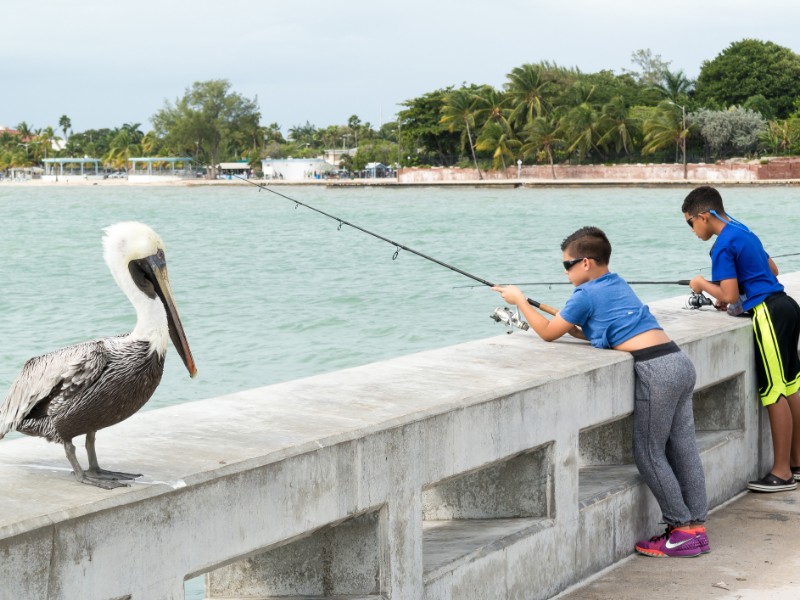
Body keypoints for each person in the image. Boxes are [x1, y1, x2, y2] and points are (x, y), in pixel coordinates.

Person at [493, 226, 709, 558]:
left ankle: (680, 531)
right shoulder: (616, 283)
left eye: (568, 265)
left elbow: (549, 334)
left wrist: (519, 300)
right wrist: (571, 323)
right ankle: (696, 528)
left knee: (649, 453)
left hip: (656, 370)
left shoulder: (585, 294)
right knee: (683, 449)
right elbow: (594, 331)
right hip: (677, 360)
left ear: (587, 263)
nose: (564, 271)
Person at [683, 185, 800, 492]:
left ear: (704, 217)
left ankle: (782, 472)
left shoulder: (722, 245)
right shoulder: (740, 229)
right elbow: (771, 268)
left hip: (768, 315)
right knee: (791, 387)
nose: (692, 229)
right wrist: (732, 293)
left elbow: (729, 294)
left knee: (773, 392)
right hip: (786, 307)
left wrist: (702, 284)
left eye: (690, 222)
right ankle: (797, 463)